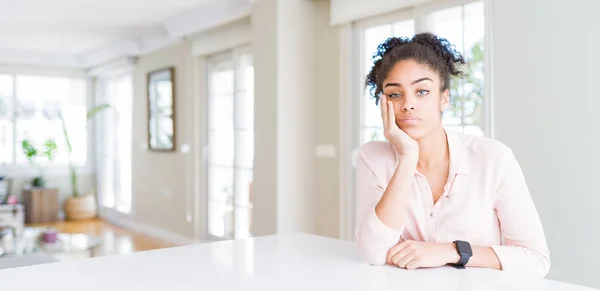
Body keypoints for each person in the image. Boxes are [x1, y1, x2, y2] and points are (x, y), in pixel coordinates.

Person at [354, 32, 550, 277]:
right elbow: (373, 252)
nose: (407, 104)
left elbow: (535, 259)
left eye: (422, 91)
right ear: (383, 102)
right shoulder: (372, 157)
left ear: (443, 98)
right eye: (395, 94)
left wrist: (450, 251)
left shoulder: (493, 158)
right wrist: (407, 158)